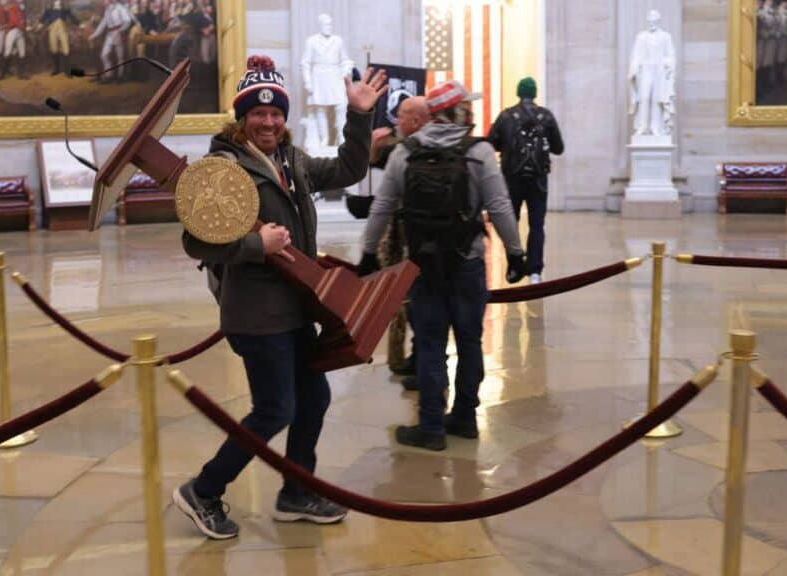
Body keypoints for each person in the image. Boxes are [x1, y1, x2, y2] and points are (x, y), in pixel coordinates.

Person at [174, 55, 387, 539]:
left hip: (294, 307)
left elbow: (351, 168)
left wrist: (359, 115)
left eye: (275, 113)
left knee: (313, 396)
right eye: (257, 113)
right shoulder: (222, 168)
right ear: (241, 118)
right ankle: (203, 491)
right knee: (275, 408)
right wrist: (255, 245)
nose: (268, 121)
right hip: (255, 312)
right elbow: (194, 242)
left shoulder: (292, 160)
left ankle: (296, 492)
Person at [357, 80, 525, 451]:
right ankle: (465, 417)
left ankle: (431, 426)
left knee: (430, 343)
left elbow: (382, 206)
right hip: (467, 262)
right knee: (469, 342)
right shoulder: (479, 152)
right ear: (459, 111)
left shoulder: (406, 152)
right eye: (469, 105)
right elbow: (499, 206)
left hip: (423, 265)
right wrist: (516, 253)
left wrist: (368, 252)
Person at [369, 96, 430, 379]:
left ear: (417, 121)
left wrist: (368, 250)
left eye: (403, 115)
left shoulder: (407, 149)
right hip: (408, 240)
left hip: (412, 242)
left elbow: (385, 201)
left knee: (414, 304)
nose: (397, 120)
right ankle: (408, 359)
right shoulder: (401, 147)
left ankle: (416, 364)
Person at [487, 77, 564, 285]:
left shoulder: (506, 116)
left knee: (510, 223)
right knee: (537, 224)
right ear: (534, 93)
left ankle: (515, 265)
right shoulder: (546, 116)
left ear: (519, 93)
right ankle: (535, 271)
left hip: (512, 178)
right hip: (538, 180)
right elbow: (559, 148)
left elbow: (491, 143)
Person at [301, 13, 354, 150]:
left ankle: (342, 138)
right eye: (325, 24)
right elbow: (305, 63)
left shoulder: (338, 40)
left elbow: (345, 59)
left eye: (330, 24)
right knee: (320, 108)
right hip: (318, 76)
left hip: (335, 75)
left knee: (340, 107)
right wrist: (308, 82)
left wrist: (346, 70)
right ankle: (323, 138)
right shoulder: (311, 41)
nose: (328, 27)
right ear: (320, 25)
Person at [627, 10, 676, 137]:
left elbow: (670, 55)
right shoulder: (641, 36)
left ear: (659, 21)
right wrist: (633, 69)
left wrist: (667, 64)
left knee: (656, 99)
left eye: (654, 20)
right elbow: (636, 55)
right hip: (645, 69)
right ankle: (642, 126)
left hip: (659, 69)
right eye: (650, 20)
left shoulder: (666, 36)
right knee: (643, 98)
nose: (652, 23)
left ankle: (656, 128)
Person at [89, 0, 132, 82]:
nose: (103, 2)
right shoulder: (107, 10)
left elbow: (127, 21)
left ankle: (120, 76)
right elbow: (103, 24)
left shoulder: (120, 8)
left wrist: (121, 30)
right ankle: (109, 75)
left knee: (120, 57)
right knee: (104, 55)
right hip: (110, 35)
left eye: (105, 1)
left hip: (119, 34)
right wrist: (94, 35)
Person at [40, 0, 79, 75]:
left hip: (62, 29)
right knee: (54, 48)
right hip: (52, 29)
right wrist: (39, 26)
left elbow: (72, 17)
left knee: (66, 47)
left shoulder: (65, 9)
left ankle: (66, 69)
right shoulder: (49, 10)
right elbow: (43, 18)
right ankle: (56, 69)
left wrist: (79, 24)